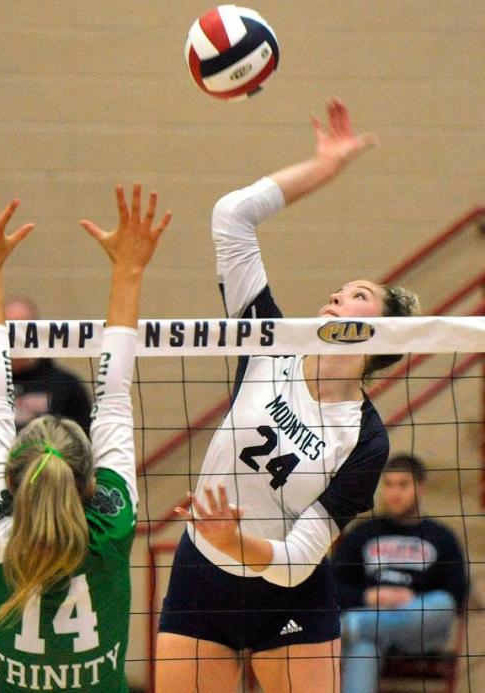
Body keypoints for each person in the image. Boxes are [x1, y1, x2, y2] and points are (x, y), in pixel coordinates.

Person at [155, 99, 421, 693]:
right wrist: (326, 167)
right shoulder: (269, 342)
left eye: (356, 295)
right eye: (338, 289)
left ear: (381, 334)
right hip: (203, 574)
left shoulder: (366, 438)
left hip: (290, 595)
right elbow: (230, 217)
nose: (335, 295)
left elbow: (303, 555)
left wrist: (238, 540)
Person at [0, 184, 170, 692]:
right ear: (90, 479)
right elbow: (114, 399)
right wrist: (130, 269)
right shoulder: (111, 527)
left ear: (11, 477)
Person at [335, 453, 467, 693]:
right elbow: (333, 588)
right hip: (371, 624)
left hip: (419, 630)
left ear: (421, 487)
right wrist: (370, 597)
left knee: (442, 603)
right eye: (388, 484)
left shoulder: (443, 537)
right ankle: (357, 627)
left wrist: (413, 602)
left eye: (403, 484)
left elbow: (455, 596)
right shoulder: (361, 533)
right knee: (363, 644)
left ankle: (348, 625)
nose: (394, 493)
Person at [0, 295, 93, 503]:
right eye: (8, 329)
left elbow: (85, 447)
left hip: (56, 504)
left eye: (22, 328)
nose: (15, 337)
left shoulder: (67, 385)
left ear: (37, 332)